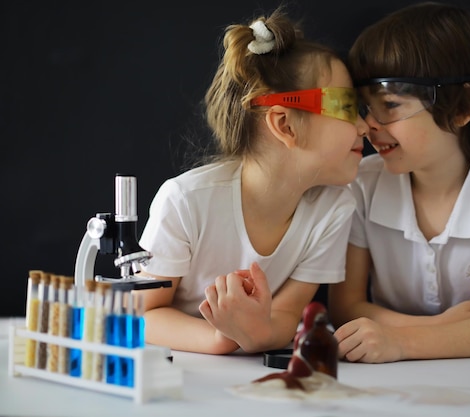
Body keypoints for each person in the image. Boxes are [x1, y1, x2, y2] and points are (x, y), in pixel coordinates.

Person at [328, 1, 470, 363]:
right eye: (366, 107)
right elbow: (345, 306)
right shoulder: (363, 184)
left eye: (390, 104)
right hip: (395, 368)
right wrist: (437, 328)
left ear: (463, 107)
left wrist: (400, 341)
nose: (369, 125)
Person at [137, 7, 368, 355]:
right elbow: (143, 313)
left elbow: (287, 313)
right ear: (285, 125)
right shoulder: (185, 201)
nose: (365, 126)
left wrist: (257, 333)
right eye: (347, 106)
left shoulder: (335, 207)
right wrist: (221, 338)